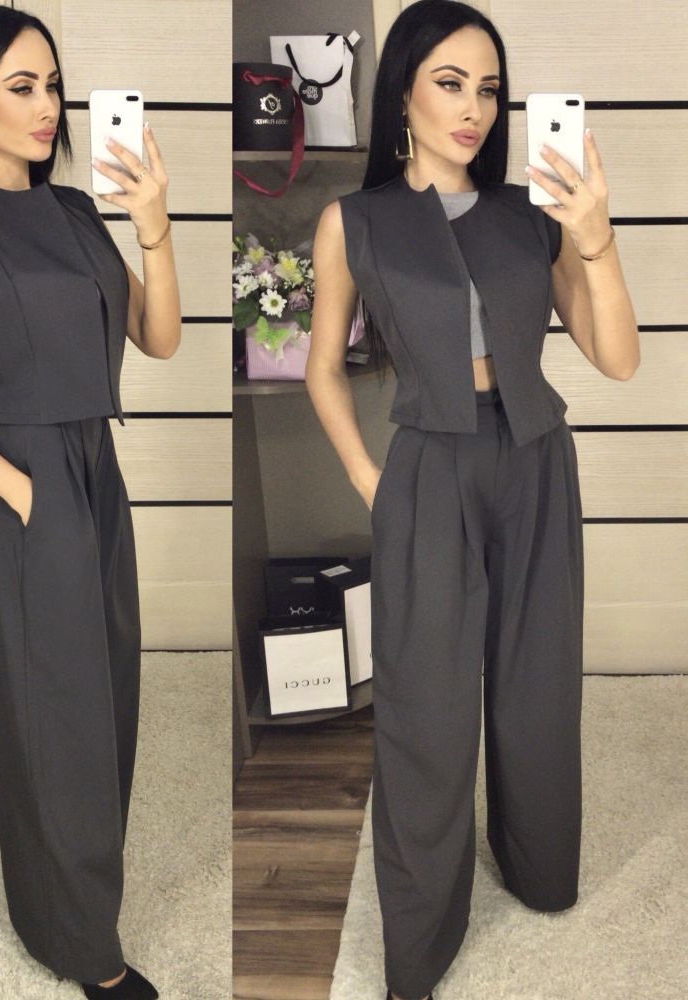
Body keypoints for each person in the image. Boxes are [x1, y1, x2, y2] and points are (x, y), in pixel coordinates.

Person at [305, 2, 639, 998]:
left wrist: (597, 239)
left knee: (538, 687)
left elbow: (617, 359)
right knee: (427, 706)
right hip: (428, 467)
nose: (474, 108)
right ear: (402, 93)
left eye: (489, 89)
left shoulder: (531, 213)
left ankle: (538, 870)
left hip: (535, 461)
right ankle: (423, 937)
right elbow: (322, 368)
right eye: (450, 83)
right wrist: (371, 480)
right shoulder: (354, 221)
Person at [0, 5, 180, 998]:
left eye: (53, 85)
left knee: (109, 696)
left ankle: (58, 902)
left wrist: (153, 224)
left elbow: (160, 338)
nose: (47, 105)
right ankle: (86, 950)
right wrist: (19, 488)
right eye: (21, 86)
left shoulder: (75, 209)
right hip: (25, 476)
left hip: (97, 470)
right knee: (58, 714)